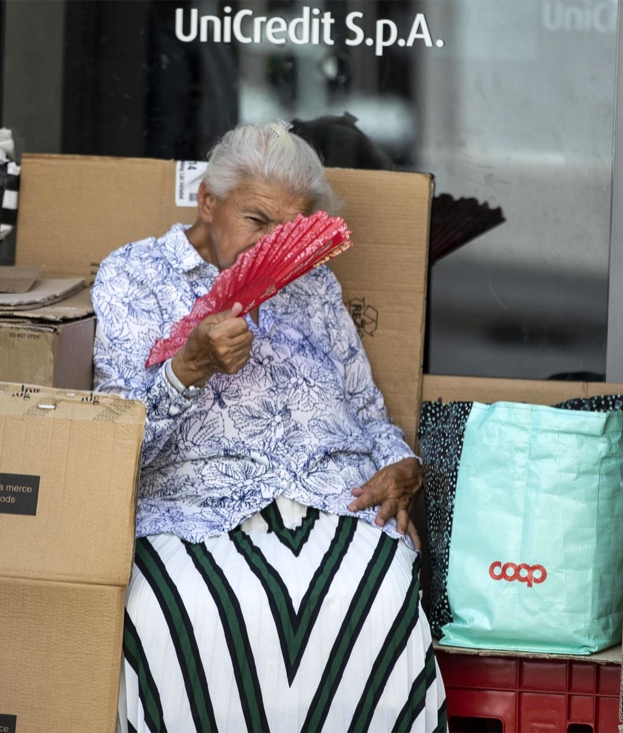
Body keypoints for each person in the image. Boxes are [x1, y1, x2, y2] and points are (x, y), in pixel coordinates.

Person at [92, 121, 446, 732]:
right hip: (192, 509)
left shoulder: (313, 283)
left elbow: (366, 409)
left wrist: (401, 464)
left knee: (381, 594)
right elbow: (114, 445)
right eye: (257, 221)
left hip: (330, 498)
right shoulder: (133, 277)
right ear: (208, 200)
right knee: (179, 612)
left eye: (291, 230)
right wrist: (186, 370)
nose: (271, 248)